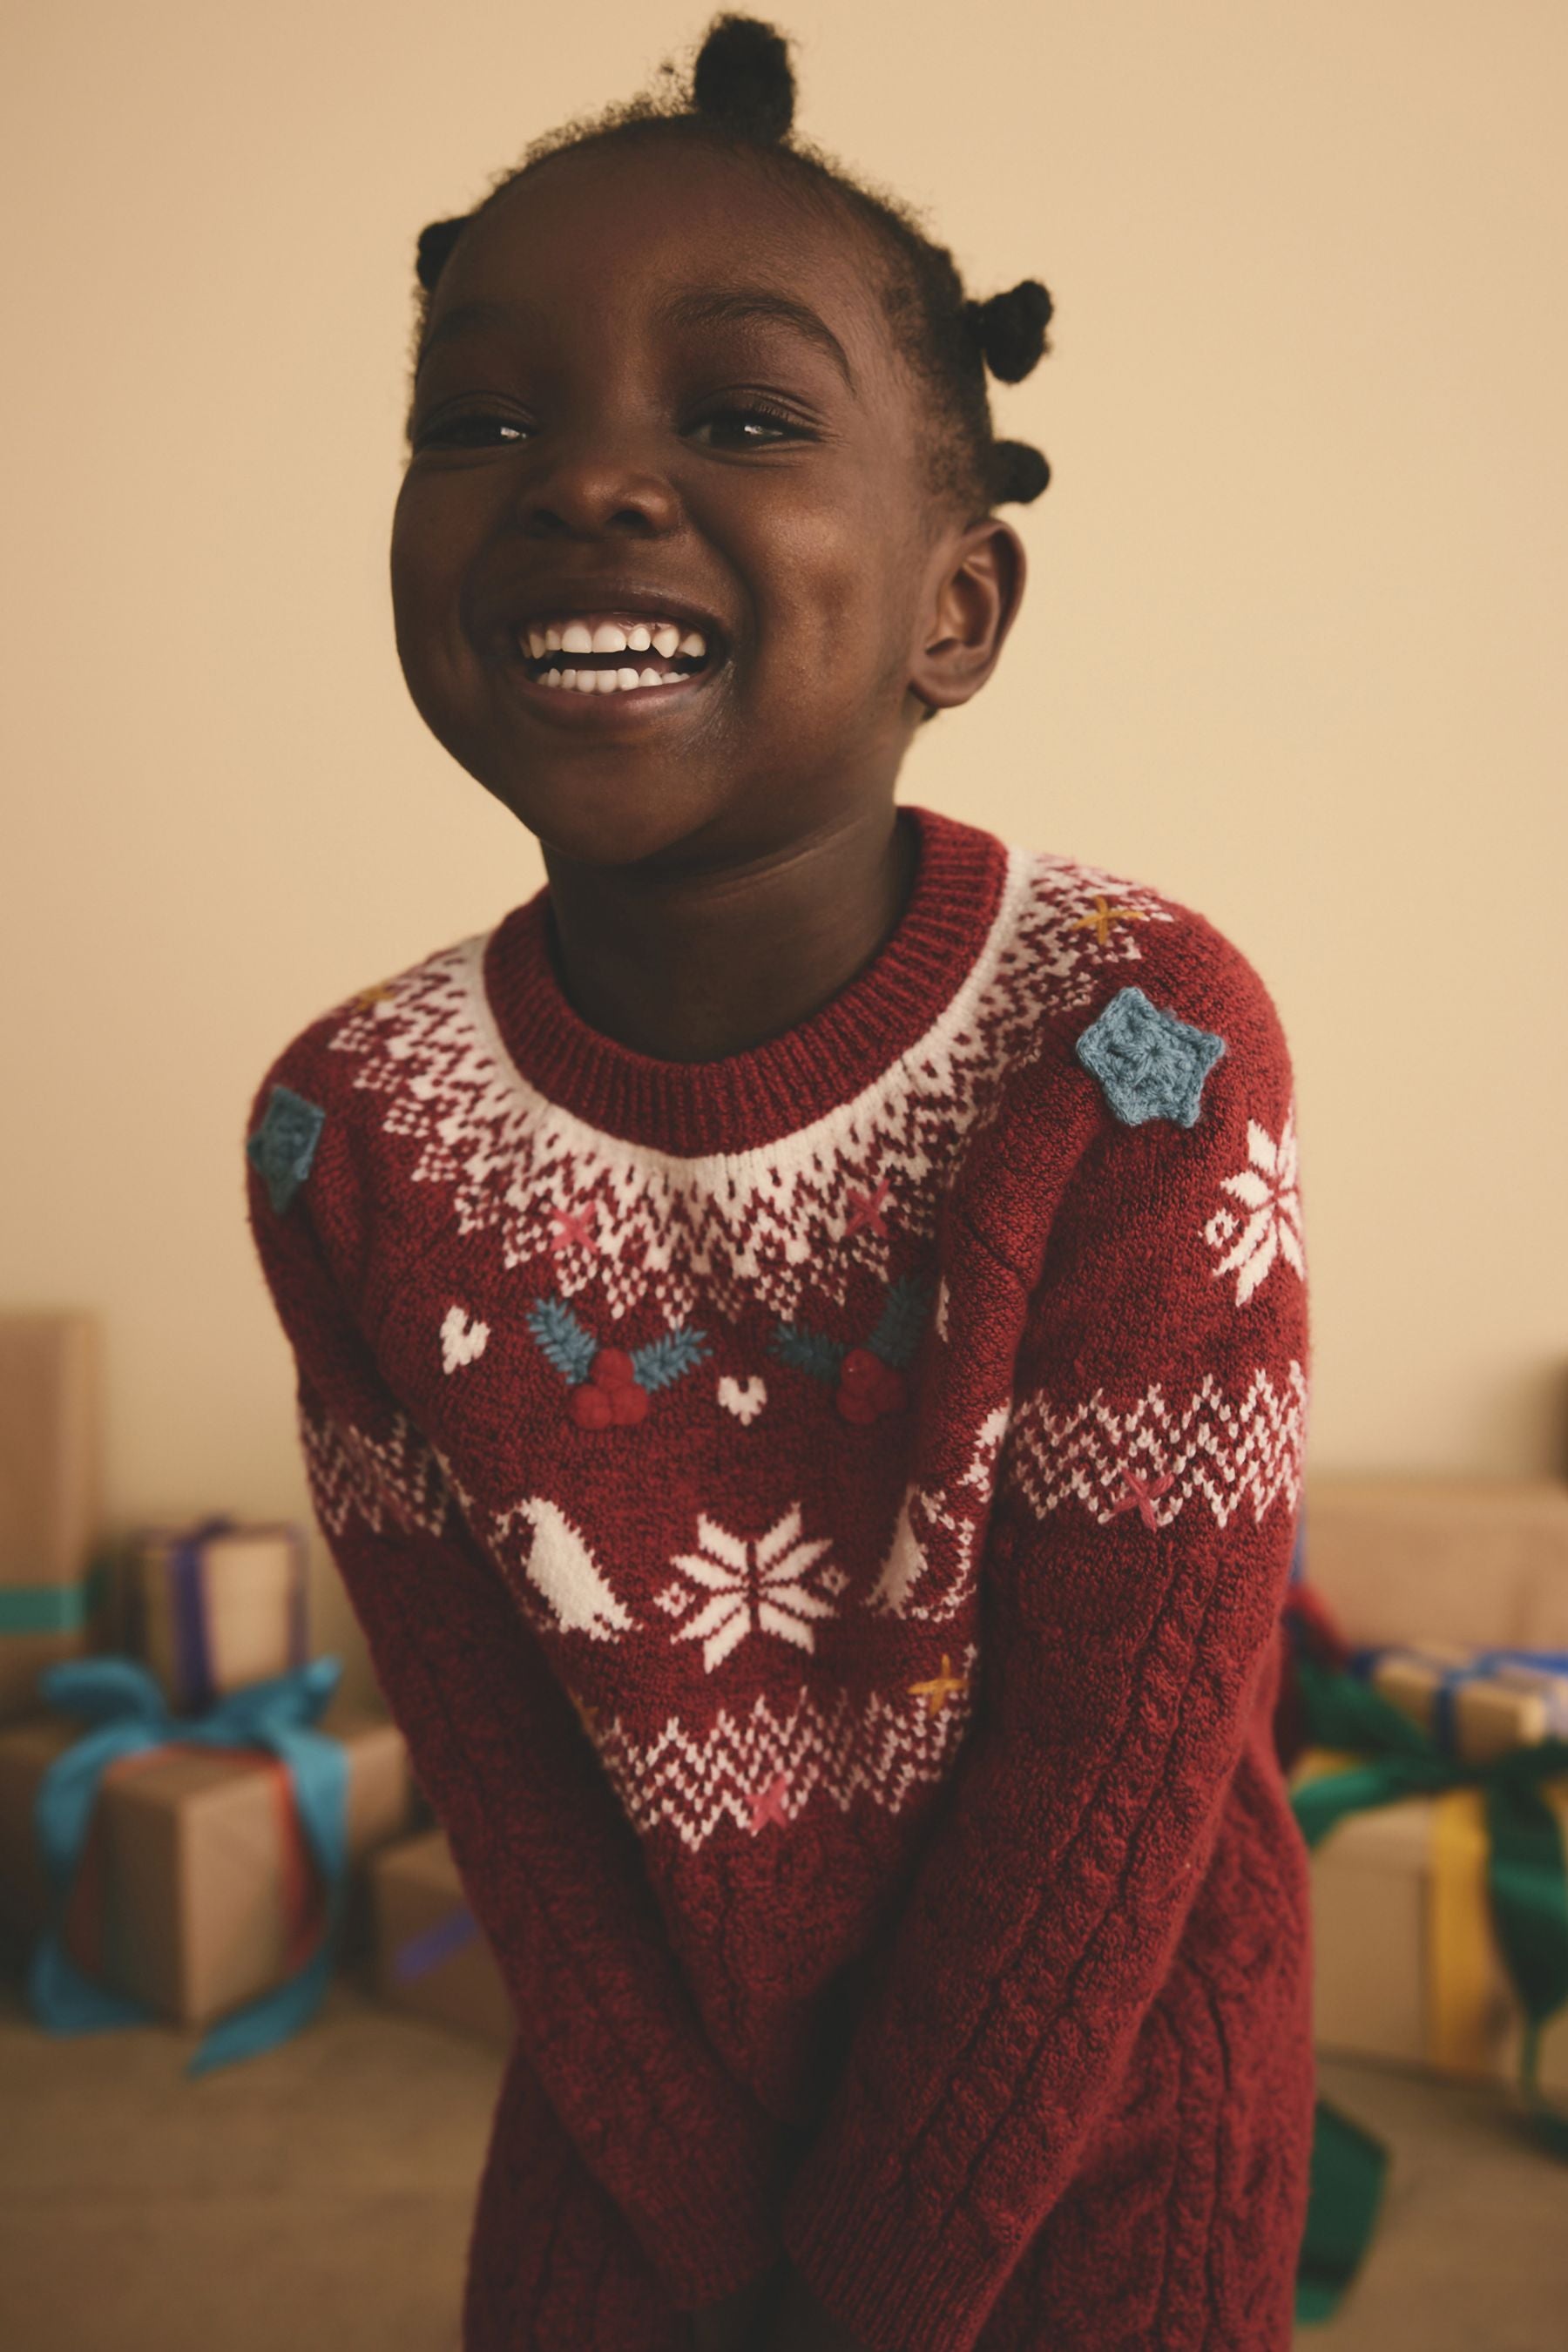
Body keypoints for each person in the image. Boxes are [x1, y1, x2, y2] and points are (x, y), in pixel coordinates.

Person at [245, 16, 1313, 2349]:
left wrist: (863, 2295)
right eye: (480, 420)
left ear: (960, 609)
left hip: (1111, 2098)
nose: (583, 485)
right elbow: (509, 1792)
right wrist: (714, 2237)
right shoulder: (351, 1128)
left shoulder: (1137, 1050)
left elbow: (1104, 1794)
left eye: (734, 416)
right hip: (643, 2118)